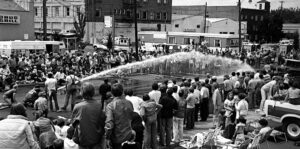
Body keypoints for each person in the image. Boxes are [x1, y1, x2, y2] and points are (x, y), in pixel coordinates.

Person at [71, 82, 106, 149]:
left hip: (83, 140)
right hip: (96, 138)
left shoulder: (78, 106)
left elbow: (73, 124)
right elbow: (102, 121)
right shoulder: (98, 105)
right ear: (93, 92)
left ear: (82, 92)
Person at [105, 83, 135, 149]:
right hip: (128, 135)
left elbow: (109, 125)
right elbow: (131, 117)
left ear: (112, 93)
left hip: (117, 138)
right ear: (122, 91)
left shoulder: (110, 106)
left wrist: (106, 138)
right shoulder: (129, 103)